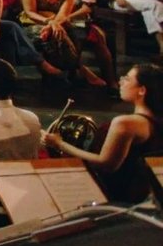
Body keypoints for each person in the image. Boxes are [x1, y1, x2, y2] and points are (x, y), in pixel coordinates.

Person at [43, 65, 163, 204]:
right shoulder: (156, 121)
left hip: (117, 196)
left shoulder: (126, 123)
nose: (121, 82)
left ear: (142, 90)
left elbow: (106, 164)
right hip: (145, 194)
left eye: (127, 79)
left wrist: (59, 143)